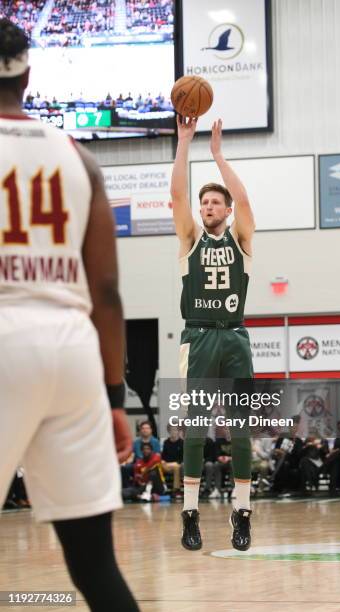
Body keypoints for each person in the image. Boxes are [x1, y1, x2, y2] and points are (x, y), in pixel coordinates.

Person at [0, 19, 139, 611]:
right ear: (29, 75)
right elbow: (106, 290)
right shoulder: (80, 159)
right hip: (73, 350)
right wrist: (113, 398)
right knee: (94, 566)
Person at [171, 115, 255, 551]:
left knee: (241, 429)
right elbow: (176, 194)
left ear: (225, 211)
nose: (206, 207)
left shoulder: (241, 239)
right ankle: (190, 515)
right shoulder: (190, 239)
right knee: (197, 430)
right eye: (203, 202)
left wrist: (219, 156)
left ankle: (242, 513)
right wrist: (185, 140)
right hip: (199, 337)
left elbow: (243, 198)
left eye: (213, 203)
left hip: (235, 336)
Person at [161, 425, 184, 497]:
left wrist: (177, 462)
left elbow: (183, 458)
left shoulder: (182, 442)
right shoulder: (166, 442)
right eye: (172, 430)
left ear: (179, 431)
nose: (173, 432)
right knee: (157, 465)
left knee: (176, 467)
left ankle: (176, 489)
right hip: (167, 465)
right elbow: (163, 456)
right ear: (169, 431)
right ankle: (160, 489)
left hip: (177, 464)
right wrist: (163, 461)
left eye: (175, 430)